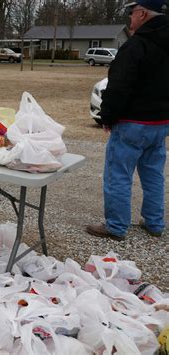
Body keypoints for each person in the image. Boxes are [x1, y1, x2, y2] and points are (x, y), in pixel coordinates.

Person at [86, 0, 169, 241]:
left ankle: (116, 226)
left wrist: (107, 118)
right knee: (154, 174)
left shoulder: (136, 46)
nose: (130, 19)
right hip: (160, 124)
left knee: (118, 175)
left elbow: (118, 87)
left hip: (132, 123)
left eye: (132, 13)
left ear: (142, 14)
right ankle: (154, 223)